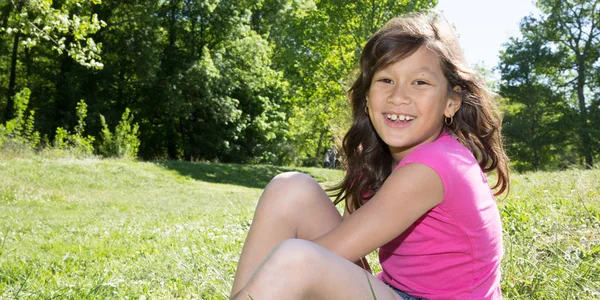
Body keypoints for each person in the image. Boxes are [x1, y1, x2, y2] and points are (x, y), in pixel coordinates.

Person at [230, 10, 509, 300]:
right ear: (367, 97)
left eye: (420, 82)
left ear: (451, 102)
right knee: (289, 188)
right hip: (396, 292)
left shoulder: (434, 166)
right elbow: (352, 242)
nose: (398, 96)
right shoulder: (382, 156)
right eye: (386, 80)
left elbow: (325, 255)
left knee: (297, 259)